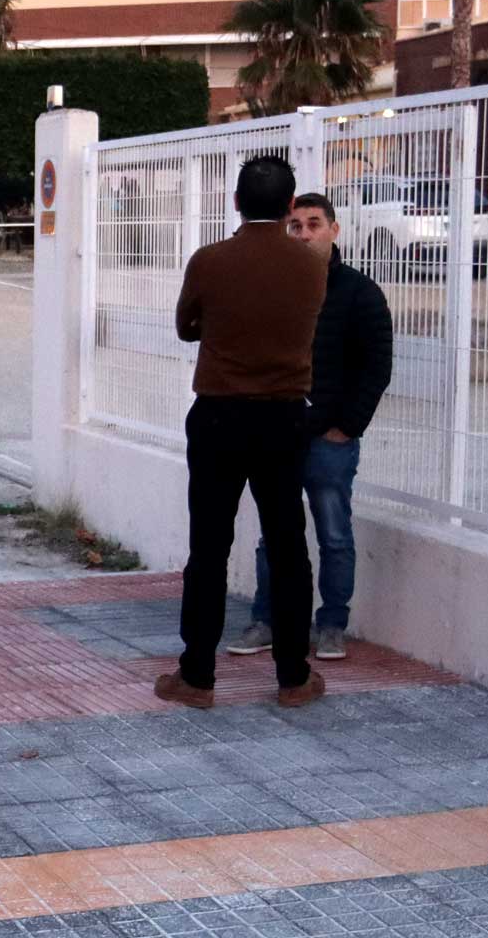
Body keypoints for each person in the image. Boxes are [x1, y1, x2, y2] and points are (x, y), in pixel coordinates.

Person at [156, 155, 329, 712]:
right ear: (287, 208)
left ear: (234, 202)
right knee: (287, 545)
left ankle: (198, 676)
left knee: (208, 545)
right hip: (283, 416)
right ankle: (294, 675)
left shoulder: (209, 260)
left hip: (219, 415)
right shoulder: (310, 266)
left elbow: (186, 327)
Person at [227, 193, 393, 663]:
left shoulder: (360, 293)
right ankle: (267, 620)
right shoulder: (273, 287)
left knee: (334, 535)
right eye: (295, 225)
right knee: (272, 536)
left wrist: (346, 426)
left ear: (334, 231)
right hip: (279, 433)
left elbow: (376, 366)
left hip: (329, 440)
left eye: (313, 224)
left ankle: (332, 625)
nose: (303, 233)